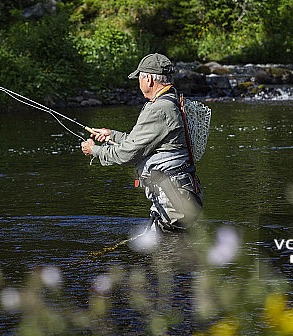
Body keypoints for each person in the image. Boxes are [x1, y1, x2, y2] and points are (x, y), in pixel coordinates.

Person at [81, 53, 203, 232]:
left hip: (174, 202)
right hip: (180, 196)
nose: (138, 82)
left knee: (166, 254)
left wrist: (95, 150)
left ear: (149, 80)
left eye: (139, 77)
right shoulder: (171, 101)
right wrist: (112, 135)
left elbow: (127, 154)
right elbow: (144, 142)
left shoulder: (159, 109)